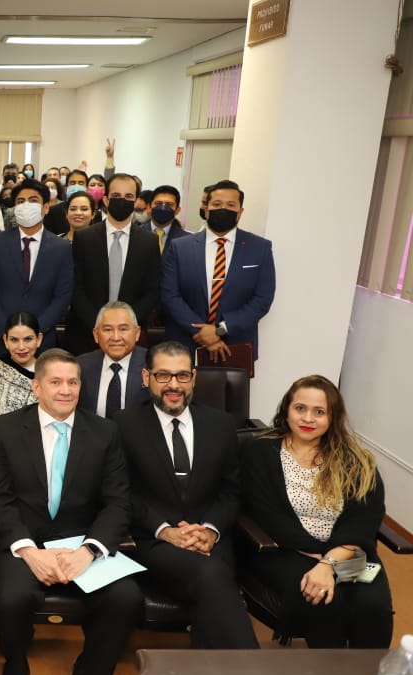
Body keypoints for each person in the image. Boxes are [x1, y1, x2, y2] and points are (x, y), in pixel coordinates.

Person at [0, 348, 142, 675]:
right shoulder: (7, 429)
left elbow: (118, 503)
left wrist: (89, 551)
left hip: (81, 542)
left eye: (73, 382)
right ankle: (15, 666)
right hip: (26, 541)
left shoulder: (105, 432)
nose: (66, 390)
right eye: (55, 382)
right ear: (36, 387)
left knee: (125, 598)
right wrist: (29, 551)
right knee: (11, 599)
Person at [114, 341, 259, 649]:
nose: (174, 385)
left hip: (210, 541)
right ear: (146, 377)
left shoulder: (220, 424)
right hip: (153, 542)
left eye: (182, 376)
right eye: (163, 376)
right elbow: (122, 494)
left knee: (212, 579)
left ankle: (213, 671)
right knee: (212, 577)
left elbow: (231, 492)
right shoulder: (123, 425)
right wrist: (165, 531)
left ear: (193, 378)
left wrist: (210, 531)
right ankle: (249, 668)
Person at [241, 375, 392, 648]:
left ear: (333, 417)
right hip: (287, 554)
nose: (308, 418)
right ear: (287, 410)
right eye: (300, 408)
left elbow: (363, 520)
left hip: (346, 555)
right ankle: (327, 672)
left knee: (372, 606)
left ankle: (370, 673)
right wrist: (322, 563)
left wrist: (329, 563)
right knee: (327, 601)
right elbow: (268, 516)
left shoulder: (355, 461)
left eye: (319, 412)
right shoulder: (260, 452)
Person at [161, 179, 276, 361]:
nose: (223, 208)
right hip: (184, 344)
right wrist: (202, 332)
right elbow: (170, 295)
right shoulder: (179, 247)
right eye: (217, 204)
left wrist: (220, 330)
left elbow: (262, 299)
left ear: (240, 211)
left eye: (231, 205)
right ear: (206, 209)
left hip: (235, 346)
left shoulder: (259, 248)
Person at [65, 173, 161, 355]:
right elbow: (75, 287)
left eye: (128, 196)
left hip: (130, 336)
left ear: (136, 201)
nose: (122, 201)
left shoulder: (149, 241)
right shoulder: (84, 238)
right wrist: (99, 324)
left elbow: (152, 291)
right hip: (86, 333)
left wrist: (126, 325)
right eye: (116, 196)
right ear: (106, 200)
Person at [0, 178, 72, 360]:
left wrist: (33, 333)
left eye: (33, 200)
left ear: (46, 207)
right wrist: (8, 331)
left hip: (41, 343)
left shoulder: (61, 247)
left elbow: (62, 296)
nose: (26, 205)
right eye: (21, 201)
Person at [78, 302, 150, 416]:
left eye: (123, 329)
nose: (116, 337)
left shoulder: (152, 364)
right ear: (96, 335)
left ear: (137, 333)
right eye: (108, 330)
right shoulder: (81, 366)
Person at [140, 184, 189, 253]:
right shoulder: (134, 235)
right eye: (158, 203)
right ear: (149, 207)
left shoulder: (187, 240)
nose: (163, 208)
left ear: (177, 210)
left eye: (169, 204)